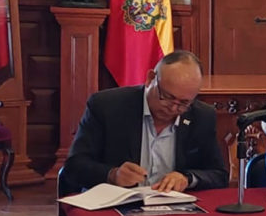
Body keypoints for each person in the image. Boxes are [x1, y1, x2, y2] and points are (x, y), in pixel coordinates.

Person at [64, 50, 228, 192]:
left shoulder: (202, 116)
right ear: (150, 79)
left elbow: (219, 175)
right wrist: (112, 175)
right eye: (167, 97)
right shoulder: (106, 107)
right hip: (115, 207)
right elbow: (74, 166)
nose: (173, 108)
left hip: (173, 208)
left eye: (184, 103)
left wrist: (188, 179)